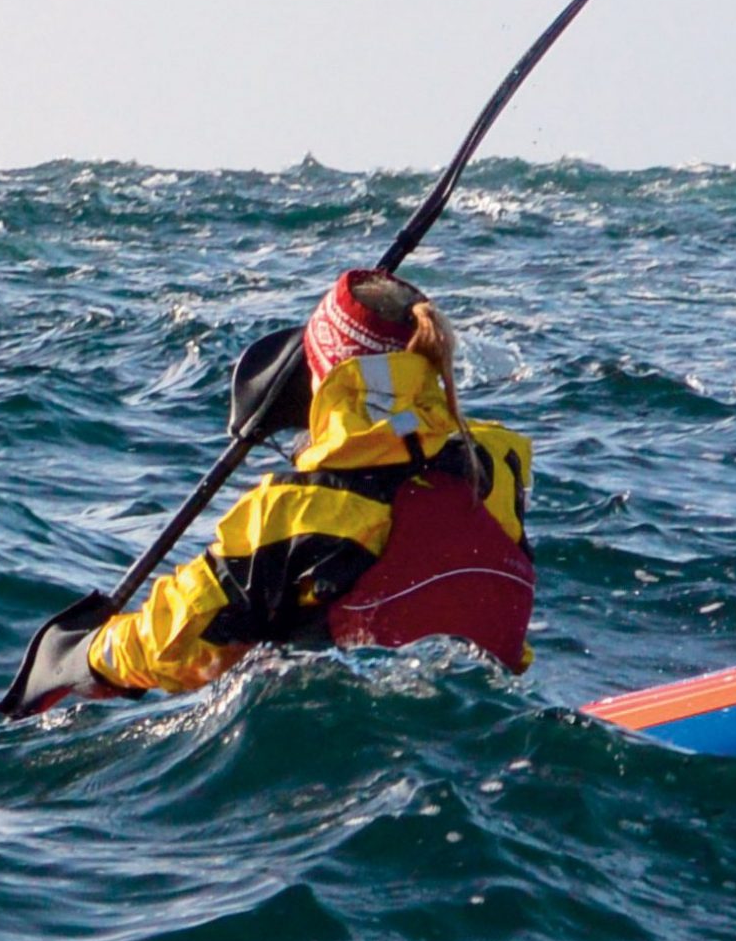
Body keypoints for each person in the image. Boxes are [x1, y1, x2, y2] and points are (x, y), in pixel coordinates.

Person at [66, 269, 535, 698]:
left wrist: (87, 657)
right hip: (486, 711)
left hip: (360, 740)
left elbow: (177, 643)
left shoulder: (290, 512)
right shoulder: (495, 460)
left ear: (325, 378)